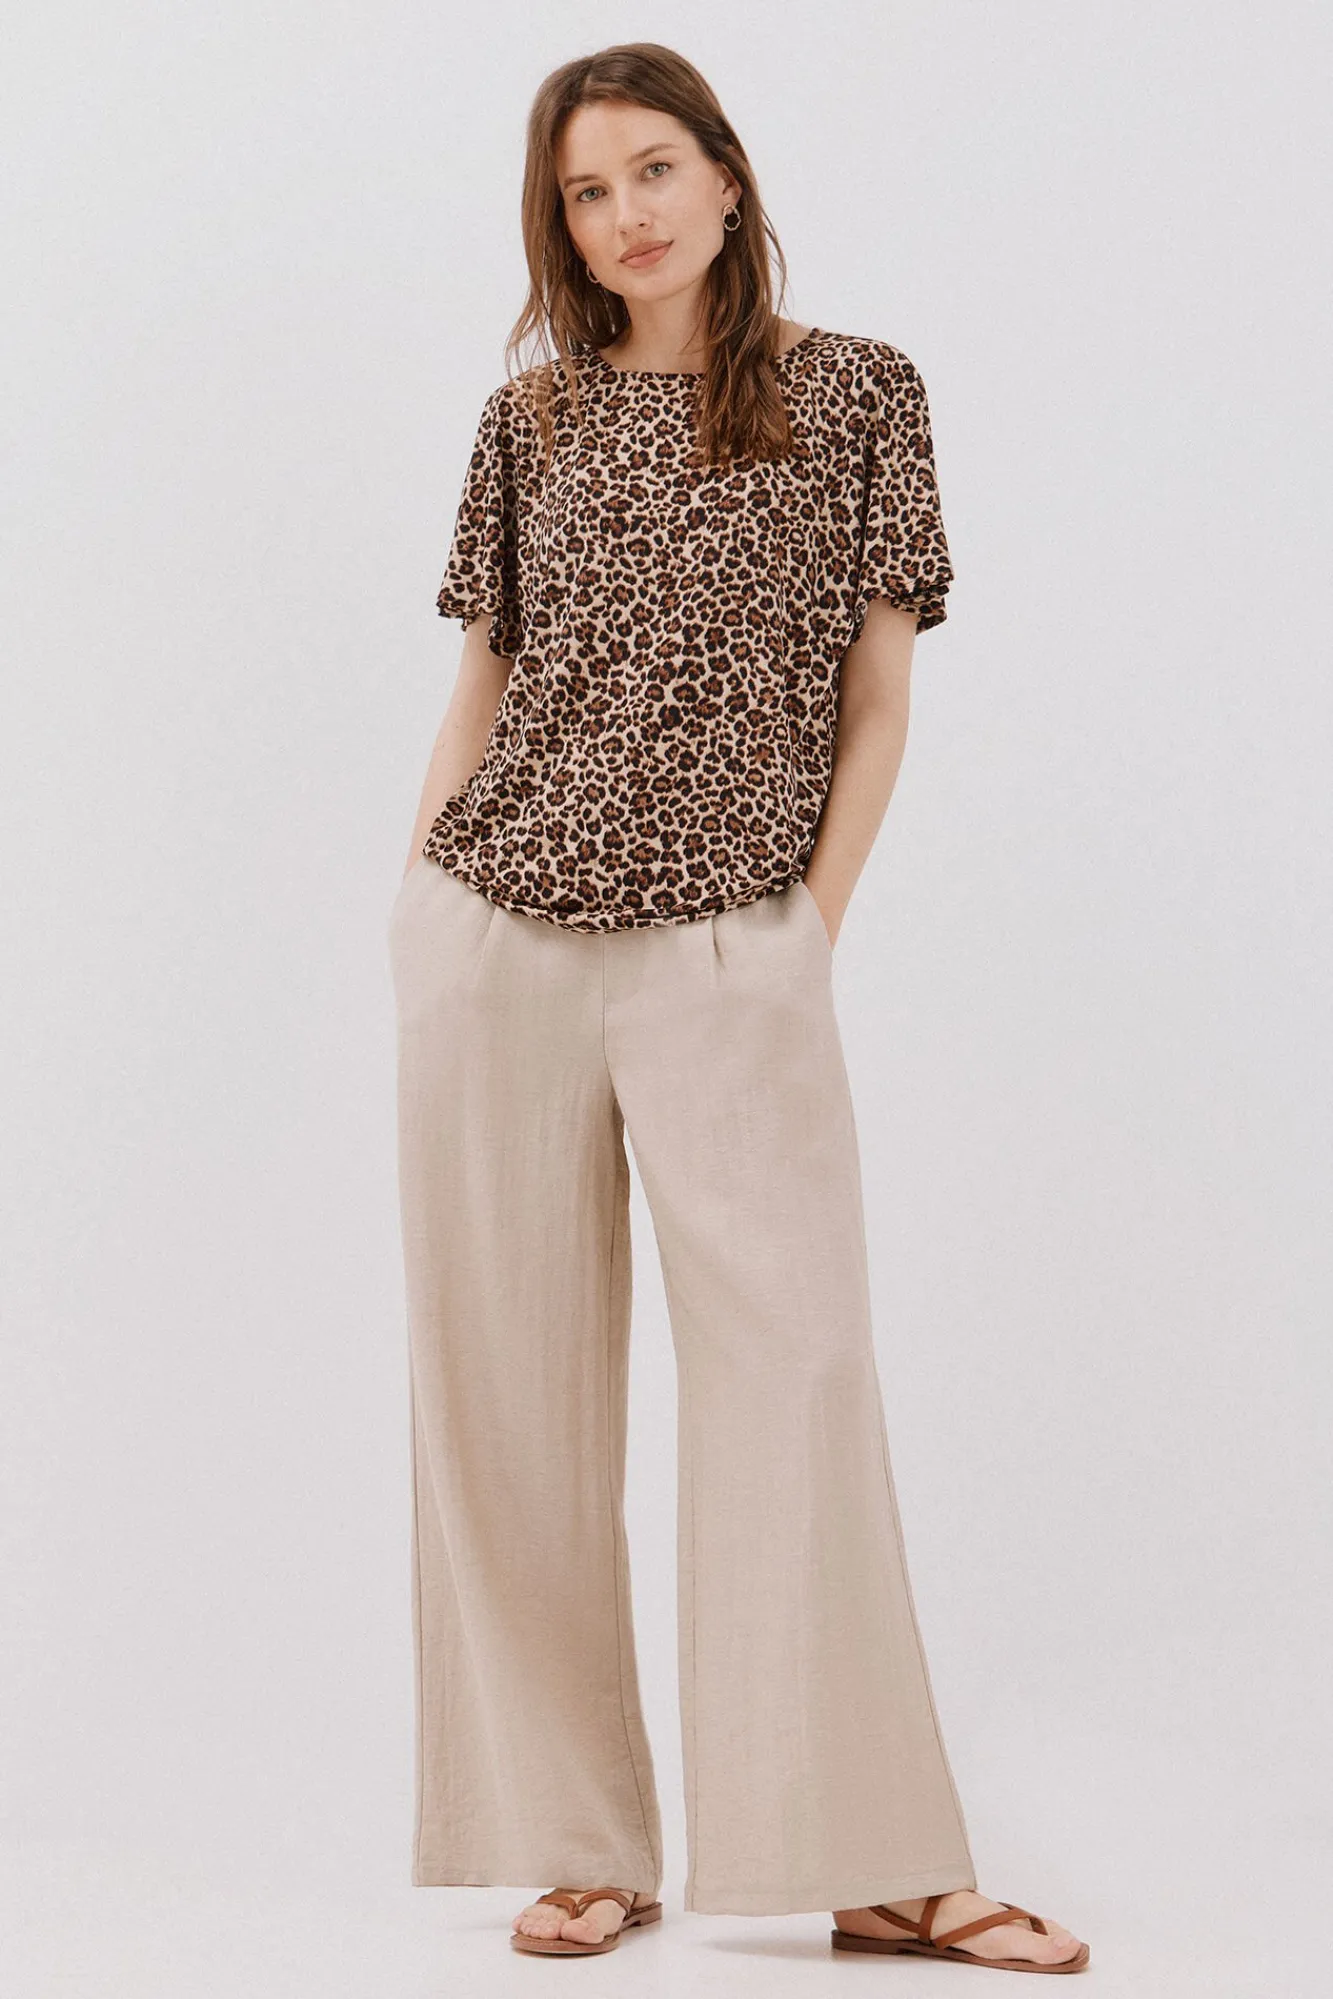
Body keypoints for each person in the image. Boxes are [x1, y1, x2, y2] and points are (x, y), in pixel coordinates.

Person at [387, 41, 1089, 1976]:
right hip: (496, 936)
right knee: (507, 1395)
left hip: (736, 942)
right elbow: (484, 680)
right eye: (585, 190)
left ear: (725, 171)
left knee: (798, 1375)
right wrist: (420, 902)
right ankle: (576, 1838)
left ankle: (872, 1854)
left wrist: (806, 931)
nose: (625, 213)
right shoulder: (529, 421)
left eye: (652, 168)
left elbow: (879, 696)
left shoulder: (859, 393)